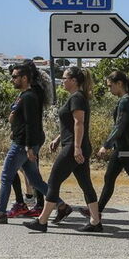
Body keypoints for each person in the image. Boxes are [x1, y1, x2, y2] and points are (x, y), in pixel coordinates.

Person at [23, 66, 100, 233]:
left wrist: (77, 148)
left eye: (65, 78)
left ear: (73, 81)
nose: (62, 81)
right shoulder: (75, 97)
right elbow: (70, 124)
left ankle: (42, 221)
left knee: (53, 181)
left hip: (73, 146)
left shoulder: (77, 98)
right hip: (73, 144)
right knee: (86, 184)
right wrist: (58, 138)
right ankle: (95, 221)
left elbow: (79, 123)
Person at [82, 70, 129, 225]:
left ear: (120, 84)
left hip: (125, 148)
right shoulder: (126, 99)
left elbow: (120, 125)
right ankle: (97, 210)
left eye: (111, 86)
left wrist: (106, 145)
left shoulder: (125, 101)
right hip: (124, 147)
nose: (109, 90)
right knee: (110, 178)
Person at [0, 61, 52, 224]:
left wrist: (29, 146)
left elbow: (30, 124)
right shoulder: (26, 95)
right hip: (23, 143)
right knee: (35, 180)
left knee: (6, 177)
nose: (12, 80)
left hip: (21, 144)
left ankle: (0, 212)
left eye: (15, 77)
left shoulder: (29, 96)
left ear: (25, 78)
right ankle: (62, 205)